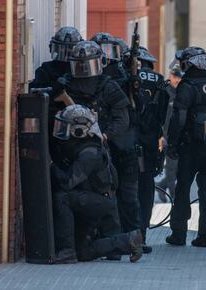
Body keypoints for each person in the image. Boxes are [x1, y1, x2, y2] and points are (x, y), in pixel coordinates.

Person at [51, 104, 143, 264]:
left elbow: (67, 183)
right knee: (83, 252)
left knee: (62, 197)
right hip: (97, 201)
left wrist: (50, 166)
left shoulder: (89, 154)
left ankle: (66, 251)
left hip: (99, 203)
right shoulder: (87, 147)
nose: (62, 132)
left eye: (66, 127)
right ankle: (129, 241)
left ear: (78, 130)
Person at [165, 47, 206, 247]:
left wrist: (172, 143)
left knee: (182, 189)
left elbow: (178, 119)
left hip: (190, 147)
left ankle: (178, 233)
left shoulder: (187, 86)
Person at [89, 35, 143, 240]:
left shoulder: (126, 77)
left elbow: (137, 110)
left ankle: (134, 238)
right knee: (104, 194)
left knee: (128, 196)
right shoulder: (94, 80)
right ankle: (112, 239)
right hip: (103, 144)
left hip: (123, 144)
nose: (108, 58)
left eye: (111, 51)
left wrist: (134, 82)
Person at [122, 47, 168, 252]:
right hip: (150, 141)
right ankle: (142, 235)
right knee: (146, 189)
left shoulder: (124, 77)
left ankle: (126, 234)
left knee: (125, 186)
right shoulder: (159, 81)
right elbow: (163, 115)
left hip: (127, 138)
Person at [29, 26, 83, 158]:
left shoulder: (81, 70)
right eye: (62, 50)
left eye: (70, 51)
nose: (66, 55)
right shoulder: (46, 69)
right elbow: (32, 92)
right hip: (51, 121)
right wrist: (53, 88)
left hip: (77, 122)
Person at [156, 65, 184, 202]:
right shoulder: (165, 91)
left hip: (176, 136)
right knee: (171, 167)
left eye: (180, 77)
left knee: (177, 167)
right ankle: (174, 196)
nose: (178, 80)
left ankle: (161, 186)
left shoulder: (181, 92)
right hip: (164, 135)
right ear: (171, 76)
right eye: (176, 77)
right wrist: (160, 136)